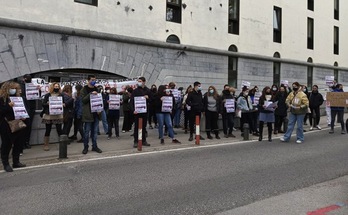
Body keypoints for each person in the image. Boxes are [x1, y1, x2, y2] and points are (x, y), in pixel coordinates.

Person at [0, 81, 27, 172]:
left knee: (18, 143)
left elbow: (24, 109)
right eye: (13, 89)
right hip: (6, 124)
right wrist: (8, 106)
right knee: (6, 144)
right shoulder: (2, 99)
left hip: (18, 123)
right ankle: (6, 163)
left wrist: (24, 116)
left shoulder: (19, 98)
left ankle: (16, 161)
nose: (15, 90)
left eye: (16, 89)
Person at [81, 75, 103, 154]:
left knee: (95, 132)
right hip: (88, 114)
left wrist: (100, 109)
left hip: (96, 114)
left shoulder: (97, 89)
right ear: (88, 80)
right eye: (92, 80)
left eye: (95, 80)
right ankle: (85, 147)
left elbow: (99, 100)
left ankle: (95, 146)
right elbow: (83, 100)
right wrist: (90, 94)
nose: (94, 81)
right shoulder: (84, 89)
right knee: (87, 132)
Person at [130, 77, 152, 148]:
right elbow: (132, 102)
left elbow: (152, 100)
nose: (139, 82)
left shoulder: (148, 90)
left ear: (144, 82)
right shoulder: (135, 91)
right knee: (137, 127)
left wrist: (148, 98)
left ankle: (143, 140)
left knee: (144, 127)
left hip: (145, 112)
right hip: (137, 112)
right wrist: (133, 110)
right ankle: (136, 141)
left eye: (140, 81)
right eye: (138, 81)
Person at [41, 82, 64, 151]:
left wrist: (63, 104)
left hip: (58, 114)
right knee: (48, 130)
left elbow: (65, 102)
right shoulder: (48, 95)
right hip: (49, 115)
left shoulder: (61, 95)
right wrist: (47, 104)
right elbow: (43, 104)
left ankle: (62, 144)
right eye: (55, 86)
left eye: (57, 86)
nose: (56, 88)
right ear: (52, 87)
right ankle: (46, 144)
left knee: (59, 130)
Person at [20, 74, 37, 149]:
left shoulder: (33, 86)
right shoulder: (20, 86)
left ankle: (26, 142)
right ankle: (22, 142)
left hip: (31, 108)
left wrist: (38, 90)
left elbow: (36, 96)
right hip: (23, 108)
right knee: (22, 126)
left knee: (29, 126)